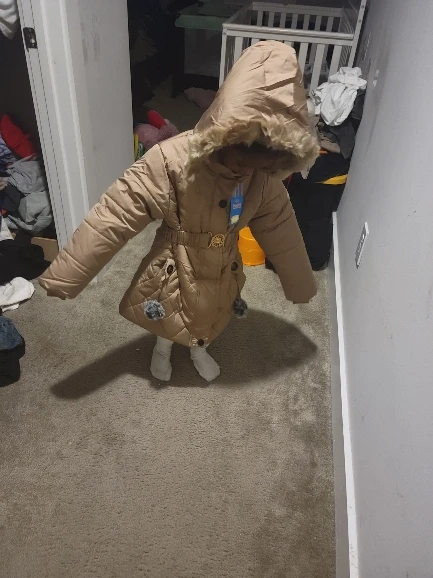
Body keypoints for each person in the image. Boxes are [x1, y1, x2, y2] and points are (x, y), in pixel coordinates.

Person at [39, 41, 319, 383]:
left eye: (259, 167)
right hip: (175, 257)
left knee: (212, 311)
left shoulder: (261, 180)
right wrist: (68, 274)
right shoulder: (171, 160)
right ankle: (162, 349)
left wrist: (299, 283)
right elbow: (115, 213)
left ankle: (199, 349)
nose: (247, 172)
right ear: (227, 137)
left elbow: (281, 228)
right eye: (242, 162)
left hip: (223, 262)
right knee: (168, 311)